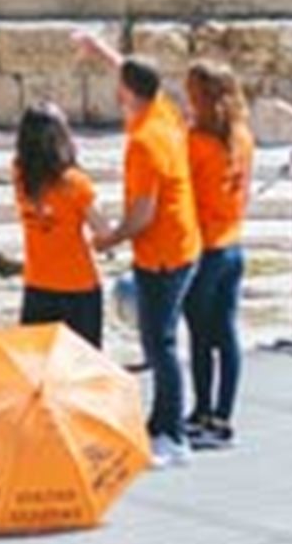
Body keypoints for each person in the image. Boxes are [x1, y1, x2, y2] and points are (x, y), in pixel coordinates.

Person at [75, 32, 201, 468]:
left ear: (126, 92)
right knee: (159, 340)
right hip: (184, 243)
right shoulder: (164, 113)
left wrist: (107, 239)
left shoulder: (145, 142)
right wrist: (101, 49)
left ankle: (173, 434)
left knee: (160, 344)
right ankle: (161, 423)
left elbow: (143, 214)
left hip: (163, 253)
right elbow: (133, 72)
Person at [184, 62, 254, 451]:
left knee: (199, 336)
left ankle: (204, 411)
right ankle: (221, 415)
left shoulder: (195, 142)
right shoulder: (242, 136)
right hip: (232, 243)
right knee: (225, 333)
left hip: (205, 247)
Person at [14, 102, 115, 347]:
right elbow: (104, 232)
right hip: (77, 286)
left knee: (38, 364)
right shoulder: (75, 183)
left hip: (37, 283)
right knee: (82, 365)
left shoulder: (20, 177)